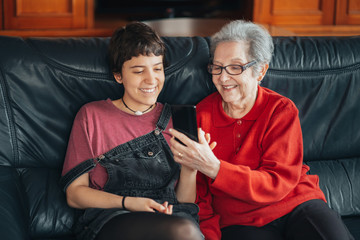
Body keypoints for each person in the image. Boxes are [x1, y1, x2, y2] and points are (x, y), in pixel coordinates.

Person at [168, 20, 354, 240]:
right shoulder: (201, 115)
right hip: (240, 222)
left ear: (261, 71)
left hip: (296, 205)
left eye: (236, 67)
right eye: (217, 67)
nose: (223, 77)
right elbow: (200, 198)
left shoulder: (280, 110)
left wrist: (216, 168)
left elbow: (278, 181)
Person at [60, 22, 203, 240]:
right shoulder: (91, 116)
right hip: (111, 217)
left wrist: (191, 168)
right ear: (118, 75)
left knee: (184, 228)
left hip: (170, 217)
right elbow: (75, 195)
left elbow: (184, 201)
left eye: (157, 68)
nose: (151, 80)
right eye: (138, 71)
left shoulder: (177, 119)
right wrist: (129, 203)